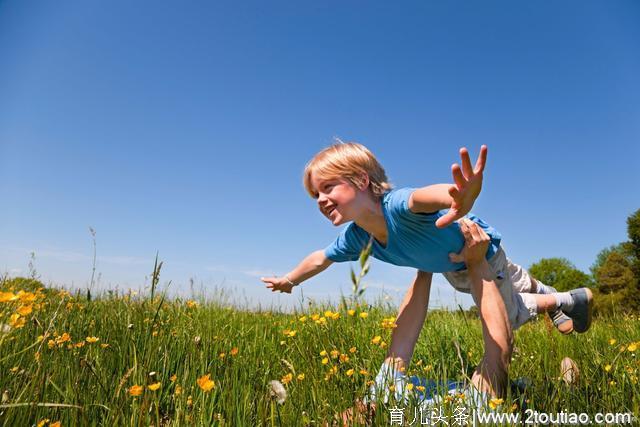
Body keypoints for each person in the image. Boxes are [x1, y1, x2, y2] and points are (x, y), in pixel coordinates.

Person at [260, 141, 593, 398]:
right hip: (454, 266)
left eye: (328, 187)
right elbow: (320, 257)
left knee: (512, 316)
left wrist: (458, 199)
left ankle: (560, 300)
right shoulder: (356, 238)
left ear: (361, 180)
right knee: (505, 282)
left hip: (478, 252)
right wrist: (290, 280)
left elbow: (425, 196)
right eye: (315, 193)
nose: (320, 199)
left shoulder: (397, 205)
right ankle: (546, 292)